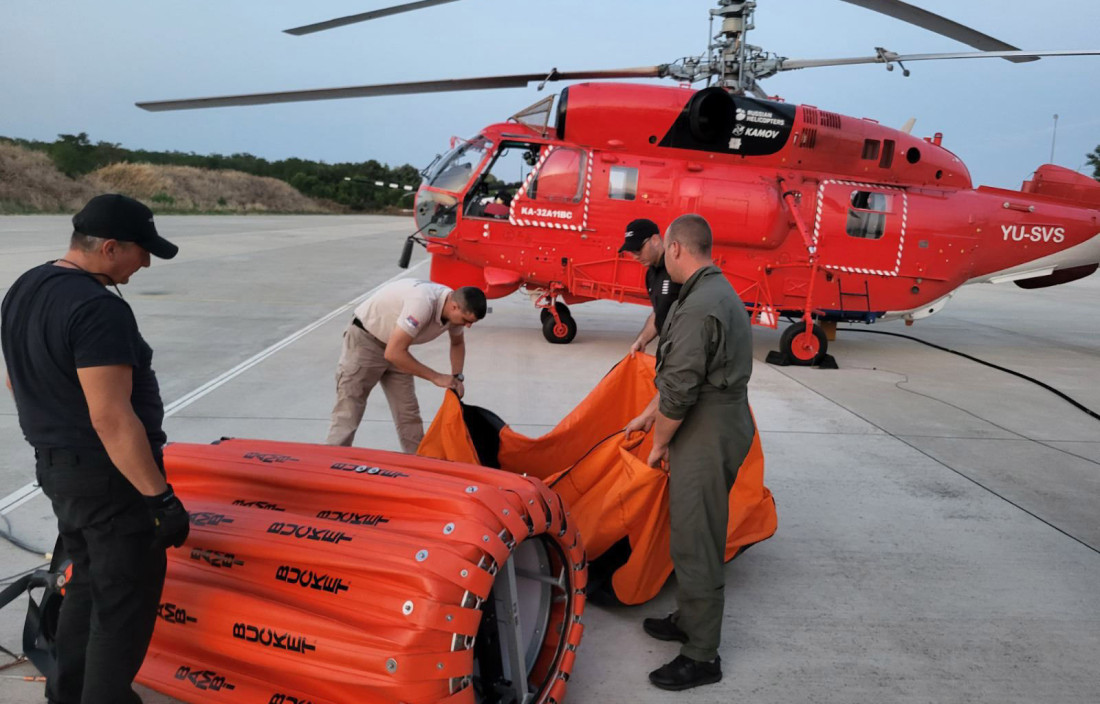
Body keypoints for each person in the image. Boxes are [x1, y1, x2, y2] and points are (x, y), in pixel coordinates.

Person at [1, 193, 190, 704]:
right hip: (109, 481)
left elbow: (17, 381)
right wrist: (159, 498)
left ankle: (68, 695)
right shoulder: (96, 308)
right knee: (121, 605)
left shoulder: (25, 287)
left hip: (60, 471)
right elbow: (111, 417)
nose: (146, 262)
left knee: (85, 587)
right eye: (141, 251)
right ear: (110, 247)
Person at [623, 213, 755, 691]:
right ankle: (690, 617)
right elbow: (683, 372)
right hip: (709, 415)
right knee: (689, 529)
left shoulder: (700, 304)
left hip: (707, 424)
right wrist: (646, 415)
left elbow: (681, 389)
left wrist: (658, 443)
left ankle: (701, 655)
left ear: (675, 248)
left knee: (696, 538)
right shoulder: (708, 291)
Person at [326, 279, 487, 452]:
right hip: (366, 342)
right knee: (349, 408)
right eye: (465, 320)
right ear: (454, 307)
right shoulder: (422, 303)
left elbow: (457, 343)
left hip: (398, 346)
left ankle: (417, 465)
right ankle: (332, 460)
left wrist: (457, 377)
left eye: (471, 322)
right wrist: (436, 377)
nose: (468, 326)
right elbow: (393, 353)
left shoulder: (454, 313)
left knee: (408, 414)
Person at [619, 218, 682, 355]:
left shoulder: (678, 267)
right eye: (631, 252)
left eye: (637, 250)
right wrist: (642, 340)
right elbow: (658, 312)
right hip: (669, 350)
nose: (635, 257)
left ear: (654, 240)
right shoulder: (651, 275)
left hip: (687, 352)